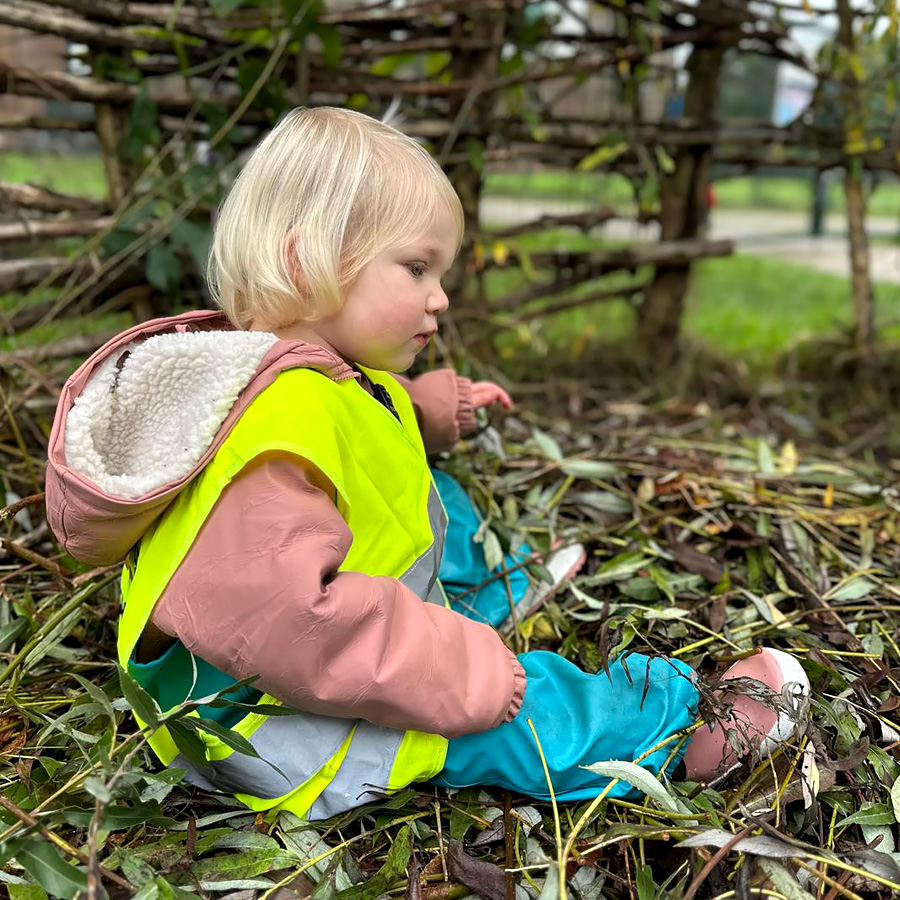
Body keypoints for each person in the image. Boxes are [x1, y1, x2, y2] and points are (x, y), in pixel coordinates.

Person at [45, 107, 808, 822]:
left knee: (431, 487)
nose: (440, 297)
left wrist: (440, 407)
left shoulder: (288, 379)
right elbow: (290, 622)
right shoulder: (277, 433)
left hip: (284, 676)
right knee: (518, 711)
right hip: (271, 727)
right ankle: (684, 728)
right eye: (416, 268)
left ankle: (475, 600)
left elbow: (376, 418)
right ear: (305, 258)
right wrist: (462, 675)